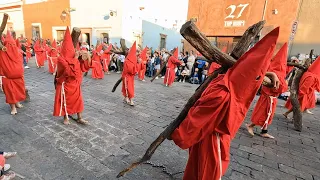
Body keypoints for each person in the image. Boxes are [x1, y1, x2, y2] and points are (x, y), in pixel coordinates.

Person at [170, 27, 279, 180]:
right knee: (209, 172)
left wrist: (269, 73)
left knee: (198, 169)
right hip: (212, 140)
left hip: (213, 137)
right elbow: (197, 119)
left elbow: (250, 74)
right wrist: (178, 134)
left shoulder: (228, 79)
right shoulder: (223, 93)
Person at [247, 43, 288, 139]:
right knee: (262, 114)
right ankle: (250, 125)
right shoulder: (271, 72)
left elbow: (282, 88)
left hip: (273, 98)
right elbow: (279, 87)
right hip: (266, 98)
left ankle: (264, 131)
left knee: (268, 115)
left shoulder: (279, 74)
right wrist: (273, 75)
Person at [53, 27, 91, 125]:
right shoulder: (61, 59)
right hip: (65, 84)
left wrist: (86, 58)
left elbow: (82, 68)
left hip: (75, 84)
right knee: (65, 101)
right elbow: (69, 71)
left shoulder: (75, 57)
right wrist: (75, 58)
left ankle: (79, 117)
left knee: (78, 101)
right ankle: (66, 117)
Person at [0, 30, 26, 115]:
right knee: (10, 93)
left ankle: (17, 103)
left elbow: (21, 61)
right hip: (7, 78)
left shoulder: (17, 51)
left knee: (17, 92)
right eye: (9, 44)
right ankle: (13, 107)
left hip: (18, 77)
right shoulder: (2, 53)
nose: (11, 46)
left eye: (12, 44)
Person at [122, 42, 137, 106]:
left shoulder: (133, 60)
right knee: (126, 87)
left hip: (130, 77)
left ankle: (130, 99)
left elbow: (136, 68)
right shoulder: (127, 60)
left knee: (130, 88)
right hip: (126, 76)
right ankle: (127, 98)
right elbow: (128, 70)